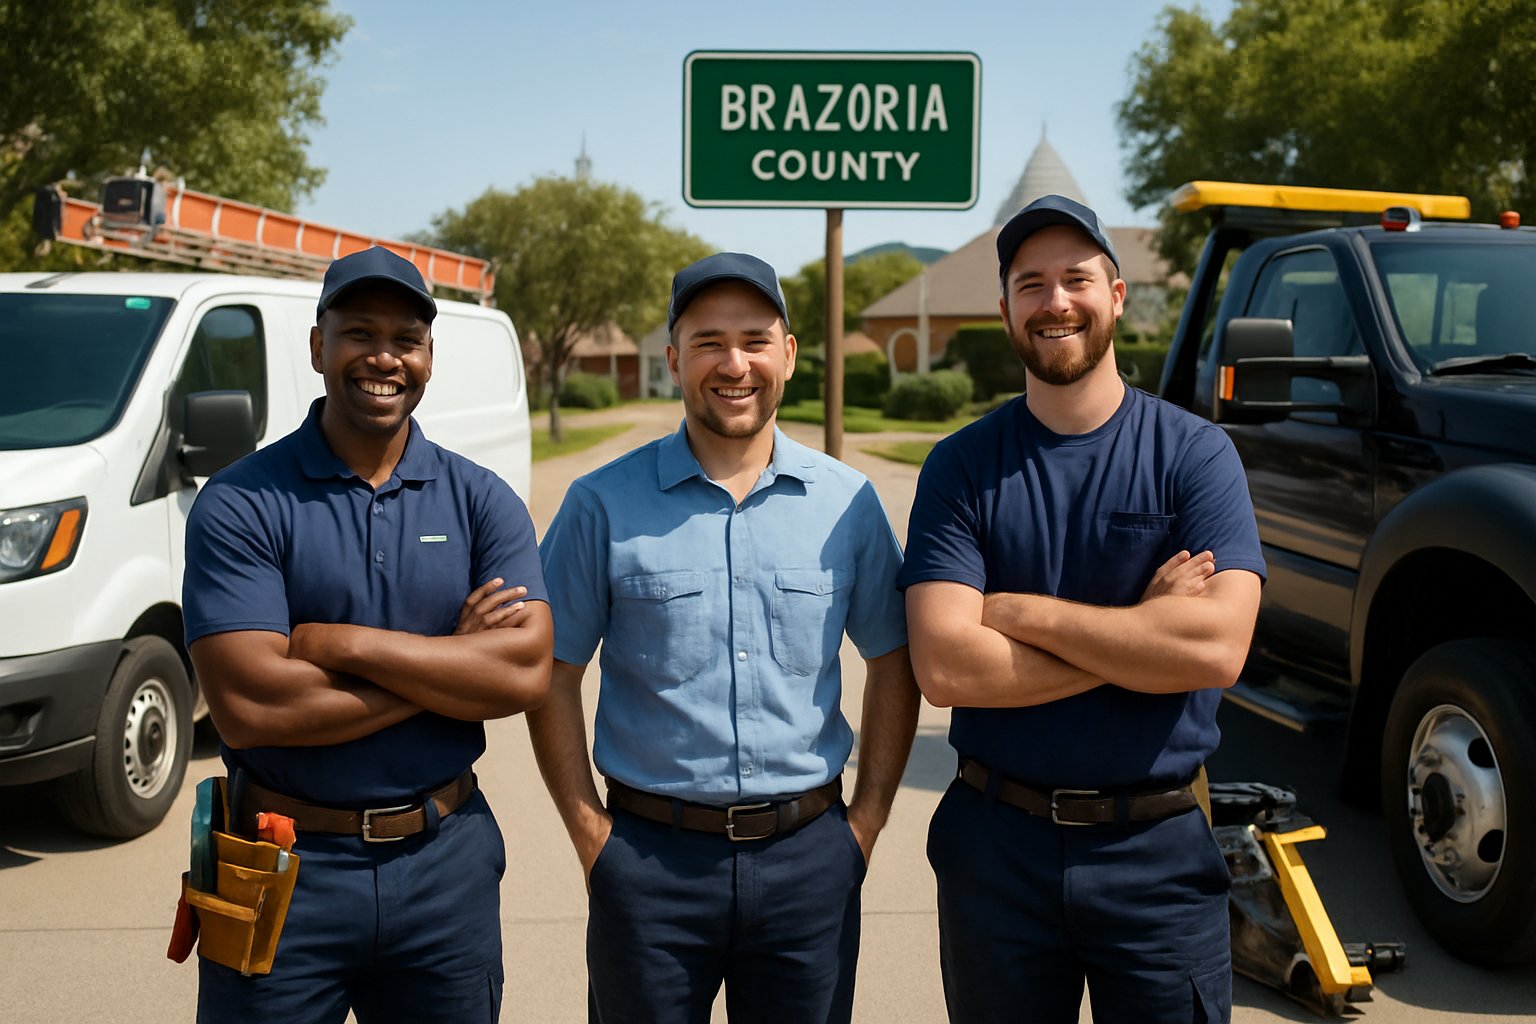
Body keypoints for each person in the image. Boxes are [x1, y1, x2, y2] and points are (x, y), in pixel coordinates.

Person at [899, 195, 1266, 1024]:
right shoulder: (962, 468)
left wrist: (1018, 612)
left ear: (1117, 293)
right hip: (998, 849)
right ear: (1005, 310)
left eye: (1076, 279)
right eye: (1031, 285)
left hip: (1158, 848)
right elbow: (949, 665)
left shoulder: (1194, 455)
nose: (1055, 301)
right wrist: (1141, 631)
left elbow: (1213, 649)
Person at [531, 252, 919, 1023]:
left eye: (754, 340)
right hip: (648, 864)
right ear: (674, 359)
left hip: (810, 859)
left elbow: (895, 661)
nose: (733, 364)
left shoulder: (848, 504)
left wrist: (864, 826)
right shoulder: (600, 504)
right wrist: (590, 834)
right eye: (708, 342)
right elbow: (551, 672)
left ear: (789, 354)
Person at [183, 246, 553, 1023]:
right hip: (282, 865)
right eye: (359, 333)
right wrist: (453, 667)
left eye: (406, 340)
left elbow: (522, 676)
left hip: (444, 865)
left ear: (428, 358)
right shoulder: (242, 502)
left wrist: (343, 645)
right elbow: (252, 705)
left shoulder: (482, 500)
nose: (383, 357)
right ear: (319, 346)